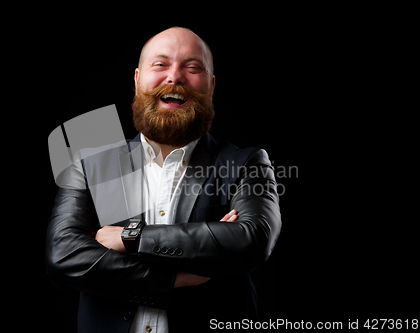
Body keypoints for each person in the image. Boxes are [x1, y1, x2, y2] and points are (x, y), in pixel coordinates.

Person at [46, 27, 281, 333]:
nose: (175, 77)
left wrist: (130, 238)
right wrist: (174, 276)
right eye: (160, 65)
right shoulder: (88, 165)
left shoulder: (247, 162)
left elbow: (253, 239)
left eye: (192, 67)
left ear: (210, 85)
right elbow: (64, 256)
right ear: (137, 79)